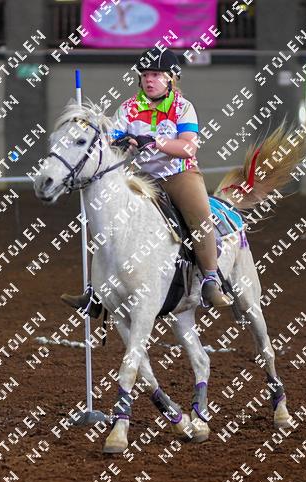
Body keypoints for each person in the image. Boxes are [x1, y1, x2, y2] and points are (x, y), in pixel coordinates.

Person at [60, 48, 232, 312]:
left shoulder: (182, 108)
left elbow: (188, 147)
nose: (149, 80)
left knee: (200, 216)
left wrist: (154, 141)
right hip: (142, 177)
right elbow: (110, 141)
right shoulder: (128, 108)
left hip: (179, 174)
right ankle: (96, 291)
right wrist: (117, 142)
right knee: (109, 218)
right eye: (144, 75)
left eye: (156, 75)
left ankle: (210, 280)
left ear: (171, 79)